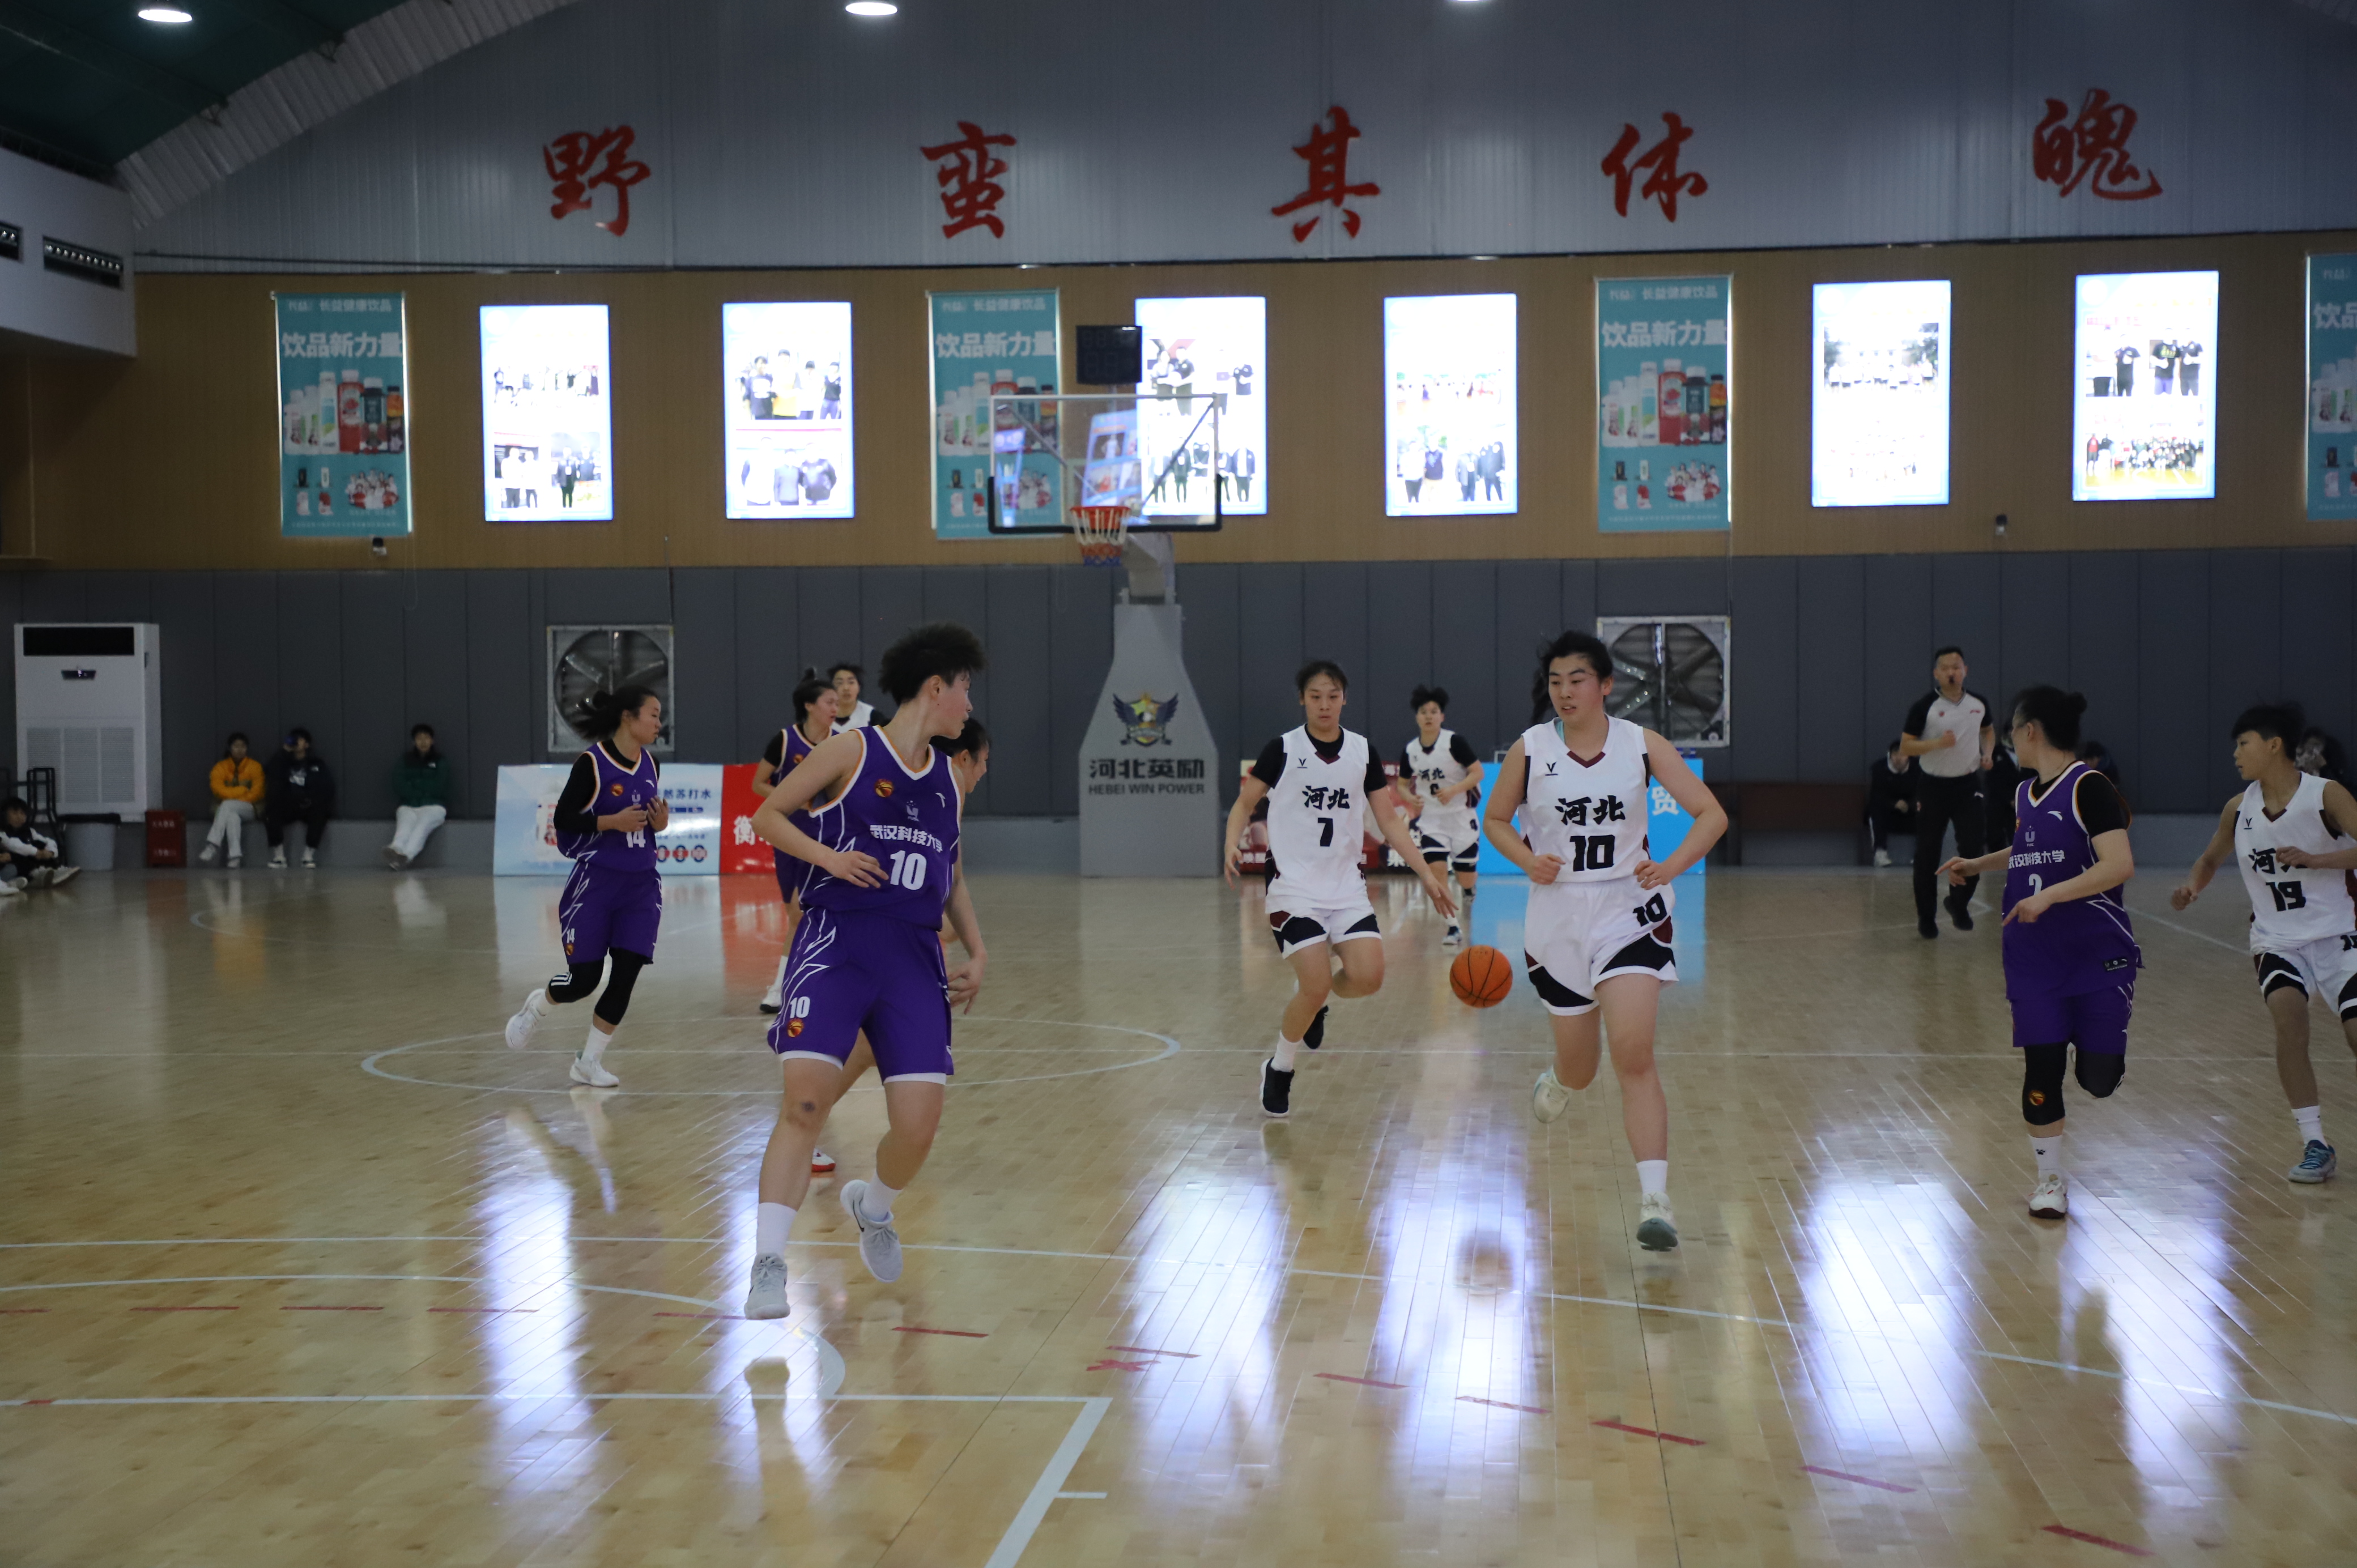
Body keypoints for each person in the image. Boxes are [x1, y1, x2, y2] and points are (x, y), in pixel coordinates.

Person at [740, 624, 990, 1319]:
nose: (969, 703)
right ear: (935, 687)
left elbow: (952, 876)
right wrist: (828, 859)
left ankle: (872, 1206)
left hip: (912, 959)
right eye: (965, 687)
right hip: (836, 942)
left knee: (917, 1127)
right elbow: (768, 814)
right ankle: (767, 1263)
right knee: (805, 1105)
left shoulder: (948, 782)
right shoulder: (851, 750)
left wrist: (978, 950)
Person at [1486, 630, 1727, 1252]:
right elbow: (1495, 820)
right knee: (1583, 1066)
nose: (1564, 692)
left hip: (1628, 911)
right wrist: (1525, 858)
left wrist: (1668, 868)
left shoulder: (1641, 744)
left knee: (1633, 1053)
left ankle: (1655, 1201)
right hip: (1558, 918)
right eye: (1555, 682)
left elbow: (1711, 814)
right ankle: (1562, 1079)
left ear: (1606, 685)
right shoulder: (1530, 749)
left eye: (1577, 679)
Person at [1222, 661, 1457, 1120]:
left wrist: (1427, 875)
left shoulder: (1362, 752)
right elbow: (1244, 804)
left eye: (1333, 696)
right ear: (1302, 700)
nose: (1325, 705)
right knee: (1314, 984)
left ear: (1345, 698)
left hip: (1345, 886)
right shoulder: (1282, 749)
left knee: (1368, 978)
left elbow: (1389, 821)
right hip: (1293, 886)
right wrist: (1232, 840)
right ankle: (1280, 1067)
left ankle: (1318, 999)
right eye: (1316, 697)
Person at [1938, 687, 2138, 1221]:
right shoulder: (2025, 794)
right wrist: (1977, 864)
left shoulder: (2089, 787)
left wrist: (2050, 896)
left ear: (2030, 731)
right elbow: (2031, 850)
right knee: (2041, 1068)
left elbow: (2118, 864)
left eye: (2012, 731)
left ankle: (2098, 1054)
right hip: (2034, 958)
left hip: (2094, 953)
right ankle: (2050, 1180)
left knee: (2098, 1080)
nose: (2010, 741)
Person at [2171, 703, 2357, 1183]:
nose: (2235, 754)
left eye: (2243, 743)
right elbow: (2209, 860)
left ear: (2274, 746)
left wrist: (2317, 860)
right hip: (2277, 940)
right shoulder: (2239, 809)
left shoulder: (2326, 795)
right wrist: (2193, 886)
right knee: (2289, 1020)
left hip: (2339, 935)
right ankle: (2315, 1143)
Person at [501, 687, 670, 1089]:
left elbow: (651, 824)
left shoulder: (652, 764)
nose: (659, 723)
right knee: (584, 980)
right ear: (628, 717)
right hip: (596, 883)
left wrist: (660, 824)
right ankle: (538, 1006)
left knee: (626, 975)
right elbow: (562, 819)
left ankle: (588, 1062)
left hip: (641, 886)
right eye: (653, 714)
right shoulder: (592, 764)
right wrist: (611, 822)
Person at [756, 674, 842, 1016]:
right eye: (829, 702)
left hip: (825, 839)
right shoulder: (785, 740)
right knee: (795, 913)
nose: (835, 708)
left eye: (837, 703)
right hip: (787, 836)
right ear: (809, 706)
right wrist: (792, 798)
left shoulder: (842, 744)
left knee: (800, 912)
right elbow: (758, 783)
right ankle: (797, 982)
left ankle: (781, 987)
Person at [1899, 646, 1994, 939]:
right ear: (1936, 673)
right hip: (1933, 787)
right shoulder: (1924, 706)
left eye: (1957, 667)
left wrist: (1987, 753)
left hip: (1967, 785)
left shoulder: (1979, 703)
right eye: (1946, 668)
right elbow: (1906, 746)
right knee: (1927, 853)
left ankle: (1958, 902)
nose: (1952, 672)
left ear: (1965, 671)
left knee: (1974, 848)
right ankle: (1926, 917)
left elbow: (1988, 730)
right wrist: (1937, 744)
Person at [1392, 685, 1484, 946]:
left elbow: (1478, 773)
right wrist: (1410, 797)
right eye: (1424, 712)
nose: (1429, 716)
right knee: (1437, 873)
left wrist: (1453, 790)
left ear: (1442, 716)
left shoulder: (1454, 742)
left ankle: (1469, 888)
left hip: (1461, 816)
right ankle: (1452, 927)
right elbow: (1402, 784)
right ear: (1417, 717)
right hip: (1432, 821)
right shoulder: (1411, 750)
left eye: (1434, 712)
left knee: (1466, 875)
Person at [263, 728, 335, 869]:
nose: (296, 742)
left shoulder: (316, 763)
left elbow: (327, 786)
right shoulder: (283, 761)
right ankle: (279, 857)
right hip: (287, 804)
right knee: (271, 809)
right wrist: (284, 751)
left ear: (307, 744)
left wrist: (311, 798)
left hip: (308, 805)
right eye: (294, 738)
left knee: (321, 811)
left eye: (300, 739)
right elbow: (270, 771)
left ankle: (308, 856)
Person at [384, 724, 451, 870]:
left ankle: (407, 856)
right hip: (409, 805)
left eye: (426, 738)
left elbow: (440, 785)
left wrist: (416, 785)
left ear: (432, 741)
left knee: (421, 828)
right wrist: (418, 792)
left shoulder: (440, 761)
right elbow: (399, 782)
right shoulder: (405, 760)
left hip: (434, 807)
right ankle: (396, 850)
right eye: (419, 738)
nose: (423, 742)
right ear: (414, 741)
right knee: (404, 827)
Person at [199, 732, 263, 867]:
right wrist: (241, 791)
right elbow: (218, 790)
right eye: (236, 746)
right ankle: (235, 857)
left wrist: (235, 798)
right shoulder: (220, 767)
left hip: (250, 808)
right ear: (230, 748)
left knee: (228, 804)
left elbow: (257, 793)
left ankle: (213, 844)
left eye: (243, 746)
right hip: (227, 809)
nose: (240, 750)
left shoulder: (255, 767)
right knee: (232, 817)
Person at [0, 797, 79, 888]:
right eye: (15, 813)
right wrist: (37, 852)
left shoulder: (29, 831)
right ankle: (27, 879)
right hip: (14, 865)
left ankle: (52, 872)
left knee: (40, 844)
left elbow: (48, 841)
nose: (19, 817)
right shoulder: (3, 833)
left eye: (22, 813)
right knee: (16, 864)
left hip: (30, 862)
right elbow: (14, 845)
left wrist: (51, 852)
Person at [1865, 738, 1913, 867]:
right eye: (1895, 755)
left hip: (1910, 813)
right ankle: (1880, 852)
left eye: (1902, 755)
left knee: (1926, 810)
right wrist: (1894, 804)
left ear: (1908, 756)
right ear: (1890, 756)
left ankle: (1921, 854)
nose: (1898, 759)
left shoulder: (1918, 768)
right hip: (1887, 813)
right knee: (1875, 810)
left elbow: (1921, 793)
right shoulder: (1879, 768)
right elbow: (1876, 796)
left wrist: (1909, 804)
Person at [829, 662, 877, 732]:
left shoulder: (871, 715)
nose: (846, 688)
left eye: (851, 682)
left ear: (859, 687)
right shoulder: (822, 716)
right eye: (840, 683)